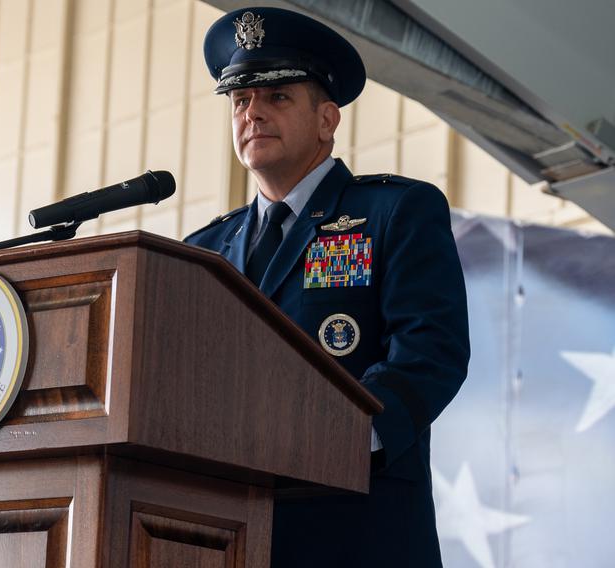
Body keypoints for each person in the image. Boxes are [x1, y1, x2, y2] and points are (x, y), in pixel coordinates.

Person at [185, 7, 470, 567]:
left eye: (278, 98)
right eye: (240, 102)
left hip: (355, 526)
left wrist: (331, 442)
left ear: (327, 119)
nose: (253, 114)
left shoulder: (394, 211)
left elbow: (430, 352)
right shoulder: (202, 251)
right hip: (227, 533)